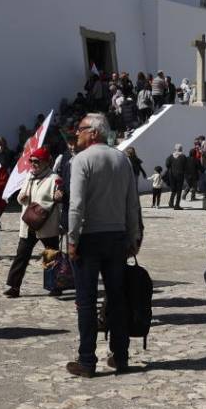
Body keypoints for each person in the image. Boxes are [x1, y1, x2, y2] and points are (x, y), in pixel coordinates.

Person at [65, 113, 143, 378]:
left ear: (94, 133)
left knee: (86, 302)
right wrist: (133, 236)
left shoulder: (81, 161)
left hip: (89, 238)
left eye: (81, 129)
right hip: (117, 237)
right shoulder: (122, 159)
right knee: (117, 299)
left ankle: (87, 360)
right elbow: (132, 202)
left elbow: (76, 205)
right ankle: (120, 356)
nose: (77, 134)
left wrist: (72, 239)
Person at [5, 148, 62, 298]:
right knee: (21, 255)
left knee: (50, 255)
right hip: (29, 222)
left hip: (46, 223)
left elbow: (59, 199)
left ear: (45, 162)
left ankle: (54, 286)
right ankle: (14, 286)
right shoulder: (29, 176)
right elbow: (20, 197)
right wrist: (21, 197)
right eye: (31, 161)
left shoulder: (53, 178)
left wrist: (58, 196)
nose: (33, 164)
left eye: (37, 161)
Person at [165, 144, 187, 209]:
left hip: (172, 175)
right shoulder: (183, 156)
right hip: (180, 175)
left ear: (175, 149)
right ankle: (177, 205)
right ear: (181, 149)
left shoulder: (170, 156)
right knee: (179, 190)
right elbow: (185, 166)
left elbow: (167, 164)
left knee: (173, 189)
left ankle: (171, 202)